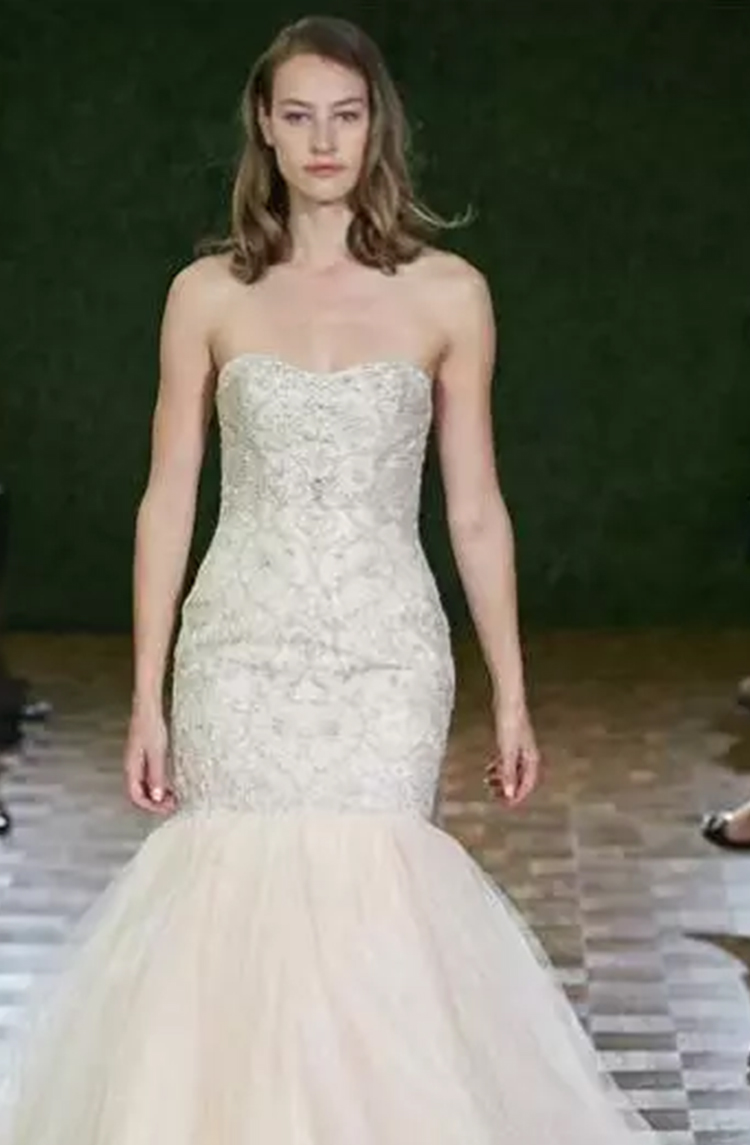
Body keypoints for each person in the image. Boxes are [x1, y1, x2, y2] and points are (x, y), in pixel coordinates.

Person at [0, 16, 661, 1143]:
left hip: (385, 649)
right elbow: (168, 499)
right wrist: (148, 693)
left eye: (345, 116)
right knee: (229, 911)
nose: (323, 141)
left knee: (378, 909)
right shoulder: (206, 295)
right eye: (299, 115)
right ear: (264, 125)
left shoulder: (450, 294)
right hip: (239, 646)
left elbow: (475, 507)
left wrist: (510, 689)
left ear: (375, 128)